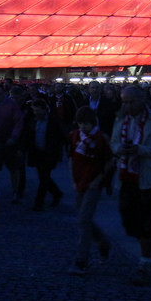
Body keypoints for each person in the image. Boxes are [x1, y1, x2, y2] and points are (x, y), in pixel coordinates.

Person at [110, 85, 151, 286]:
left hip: (148, 178)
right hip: (125, 175)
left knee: (145, 221)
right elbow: (112, 143)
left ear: (142, 99)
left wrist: (141, 150)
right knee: (127, 220)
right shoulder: (121, 119)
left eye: (131, 101)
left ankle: (144, 262)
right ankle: (150, 243)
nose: (127, 106)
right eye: (124, 102)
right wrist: (120, 149)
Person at [66, 106, 114, 275]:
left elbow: (109, 161)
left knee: (83, 219)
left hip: (93, 182)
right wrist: (72, 179)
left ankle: (82, 259)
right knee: (83, 218)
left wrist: (99, 180)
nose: (83, 127)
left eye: (86, 123)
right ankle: (102, 241)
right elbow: (71, 158)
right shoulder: (75, 136)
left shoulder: (100, 139)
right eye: (80, 123)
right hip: (79, 181)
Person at [21, 99, 65, 211]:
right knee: (43, 177)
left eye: (38, 110)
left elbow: (60, 136)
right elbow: (27, 137)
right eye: (34, 110)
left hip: (49, 153)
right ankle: (57, 193)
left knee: (44, 177)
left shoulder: (52, 121)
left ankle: (39, 202)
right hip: (37, 153)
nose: (36, 112)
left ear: (45, 110)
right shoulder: (32, 120)